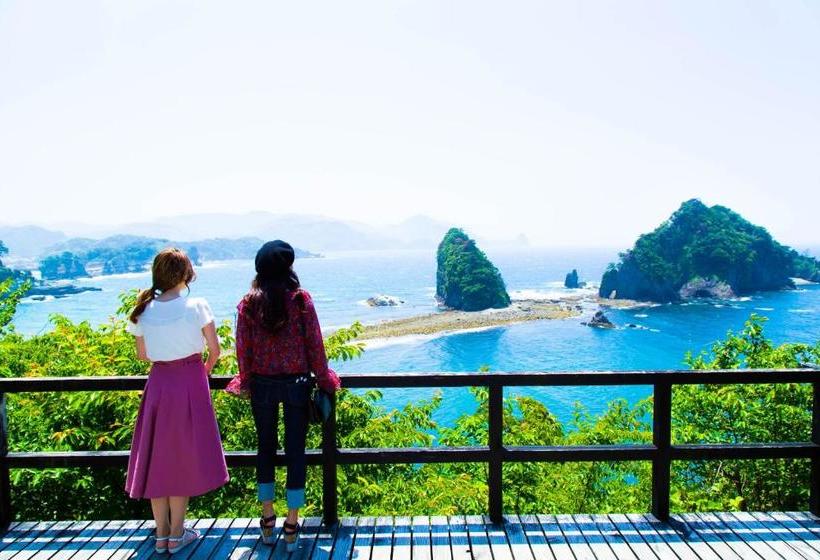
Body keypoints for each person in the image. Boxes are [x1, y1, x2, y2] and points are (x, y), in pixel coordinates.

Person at [226, 240, 341, 550]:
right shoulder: (300, 300)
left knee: (265, 448)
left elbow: (243, 348)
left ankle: (267, 520)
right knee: (295, 452)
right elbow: (315, 345)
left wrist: (245, 380)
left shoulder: (249, 304)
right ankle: (291, 524)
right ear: (289, 268)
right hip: (297, 385)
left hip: (262, 385)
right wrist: (325, 379)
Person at [125, 248, 229, 555]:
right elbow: (215, 350)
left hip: (159, 382)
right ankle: (177, 533)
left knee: (157, 456)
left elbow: (142, 355)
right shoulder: (197, 305)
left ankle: (161, 535)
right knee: (182, 456)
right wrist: (202, 371)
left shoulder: (143, 308)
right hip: (191, 380)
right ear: (186, 274)